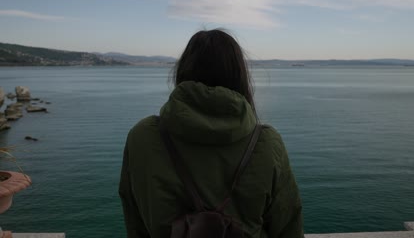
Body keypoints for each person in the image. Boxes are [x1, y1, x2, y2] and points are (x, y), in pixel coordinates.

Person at [119, 29, 304, 238]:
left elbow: (135, 223)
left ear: (182, 71)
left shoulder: (142, 138)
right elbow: (288, 227)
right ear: (240, 76)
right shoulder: (267, 143)